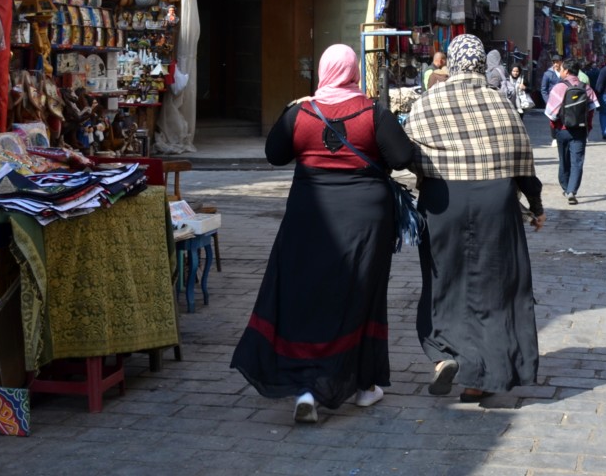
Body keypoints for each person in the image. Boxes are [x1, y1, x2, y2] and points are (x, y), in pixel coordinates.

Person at [232, 44, 419, 424]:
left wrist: (292, 111)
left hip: (309, 218)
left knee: (306, 297)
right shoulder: (372, 111)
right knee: (361, 297)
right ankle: (365, 387)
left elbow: (274, 154)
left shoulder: (301, 112)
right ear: (353, 72)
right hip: (366, 221)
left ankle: (305, 389)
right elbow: (402, 158)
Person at [403, 34, 544, 403]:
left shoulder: (429, 101)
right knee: (494, 289)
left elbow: (407, 151)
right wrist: (536, 204)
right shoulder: (499, 102)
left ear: (451, 62)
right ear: (482, 63)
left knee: (444, 282)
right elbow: (522, 159)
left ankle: (446, 354)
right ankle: (478, 378)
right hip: (494, 204)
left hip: (441, 202)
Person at [546, 58, 599, 204]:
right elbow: (592, 110)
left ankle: (565, 186)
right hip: (580, 130)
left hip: (562, 130)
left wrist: (554, 130)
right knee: (577, 162)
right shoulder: (586, 87)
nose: (560, 72)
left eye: (561, 69)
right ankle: (572, 190)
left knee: (564, 160)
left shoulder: (558, 88)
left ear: (567, 71)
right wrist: (588, 127)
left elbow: (551, 113)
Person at [539, 57, 564, 147]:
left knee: (563, 119)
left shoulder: (564, 73)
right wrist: (548, 101)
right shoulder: (548, 74)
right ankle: (554, 138)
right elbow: (544, 90)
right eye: (554, 62)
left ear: (561, 62)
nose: (556, 64)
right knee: (553, 120)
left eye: (558, 62)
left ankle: (562, 137)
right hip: (552, 101)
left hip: (563, 101)